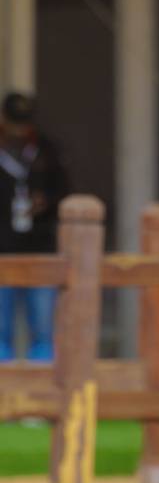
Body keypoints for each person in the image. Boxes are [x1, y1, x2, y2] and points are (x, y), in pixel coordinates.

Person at [0, 92, 69, 362]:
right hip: (2, 250)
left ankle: (43, 397)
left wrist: (45, 202)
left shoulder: (47, 150)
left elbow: (65, 192)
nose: (20, 129)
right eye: (15, 122)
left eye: (24, 122)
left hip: (40, 248)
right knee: (0, 331)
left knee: (43, 331)